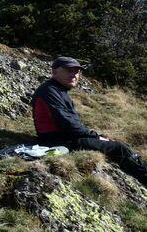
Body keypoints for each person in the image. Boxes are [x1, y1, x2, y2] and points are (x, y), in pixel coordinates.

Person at [32, 56, 147, 185]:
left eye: (77, 71)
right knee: (119, 148)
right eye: (69, 70)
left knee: (116, 144)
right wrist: (95, 136)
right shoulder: (49, 91)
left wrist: (95, 136)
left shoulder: (57, 90)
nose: (74, 75)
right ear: (55, 72)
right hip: (57, 141)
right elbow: (68, 124)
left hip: (65, 137)